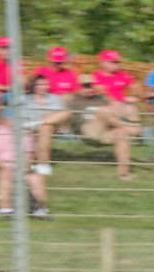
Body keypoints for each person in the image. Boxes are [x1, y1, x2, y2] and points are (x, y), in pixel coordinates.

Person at [85, 49, 139, 180]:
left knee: (122, 134)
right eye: (113, 62)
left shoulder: (123, 75)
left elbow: (137, 91)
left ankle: (124, 173)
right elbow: (103, 94)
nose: (117, 64)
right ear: (103, 63)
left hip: (117, 114)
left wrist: (133, 92)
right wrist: (120, 102)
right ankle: (130, 127)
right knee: (108, 110)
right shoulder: (96, 75)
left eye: (117, 61)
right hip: (100, 118)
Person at [31, 47, 83, 171]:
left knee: (67, 100)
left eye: (60, 62)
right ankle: (41, 163)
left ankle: (63, 130)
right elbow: (33, 90)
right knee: (46, 127)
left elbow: (77, 93)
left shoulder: (70, 74)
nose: (57, 64)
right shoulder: (41, 72)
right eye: (55, 61)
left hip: (59, 111)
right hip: (44, 106)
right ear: (49, 60)